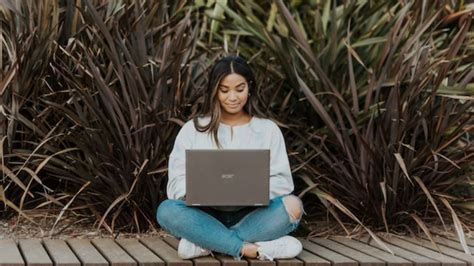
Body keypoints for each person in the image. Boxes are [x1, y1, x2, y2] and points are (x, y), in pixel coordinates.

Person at [156, 55, 305, 261]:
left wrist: (252, 191)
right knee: (167, 210)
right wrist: (192, 193)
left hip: (253, 216)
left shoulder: (267, 129)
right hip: (204, 214)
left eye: (240, 89)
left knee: (293, 205)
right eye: (224, 90)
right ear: (214, 90)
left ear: (249, 87)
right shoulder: (194, 129)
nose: (232, 97)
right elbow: (176, 180)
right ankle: (247, 248)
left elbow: (283, 181)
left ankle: (207, 242)